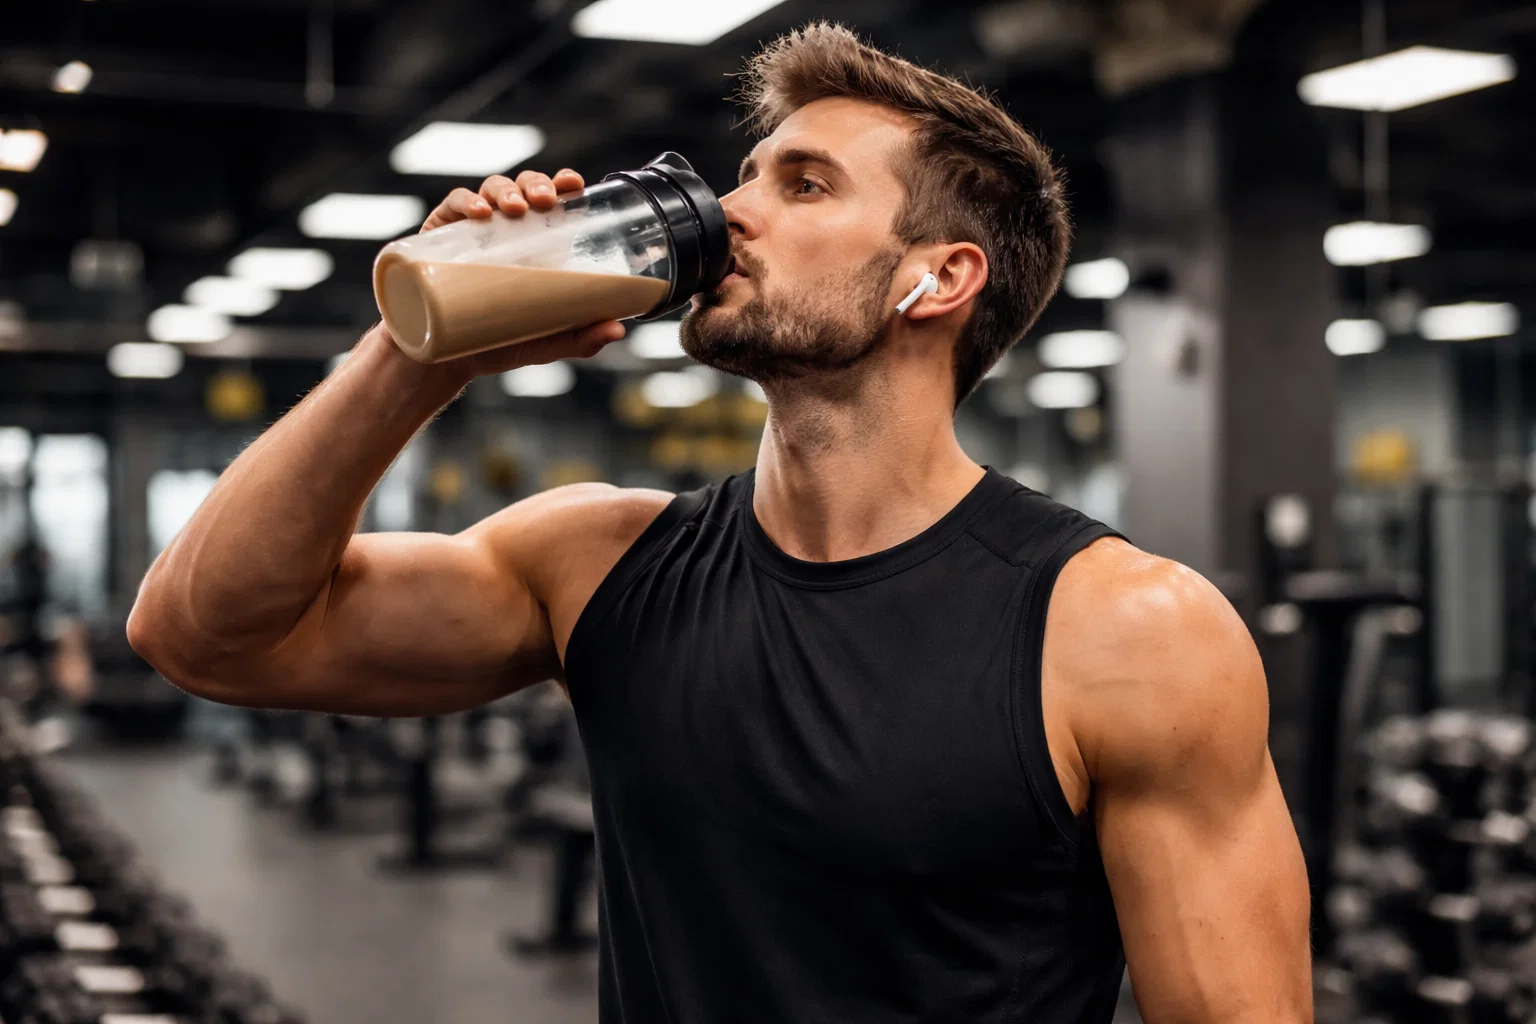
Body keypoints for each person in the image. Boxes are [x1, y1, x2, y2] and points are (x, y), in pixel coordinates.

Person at [129, 21, 1311, 1023]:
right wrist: (417, 351)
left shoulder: (1123, 632)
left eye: (802, 185)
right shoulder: (596, 560)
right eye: (747, 175)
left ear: (937, 281)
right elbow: (203, 634)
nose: (733, 212)